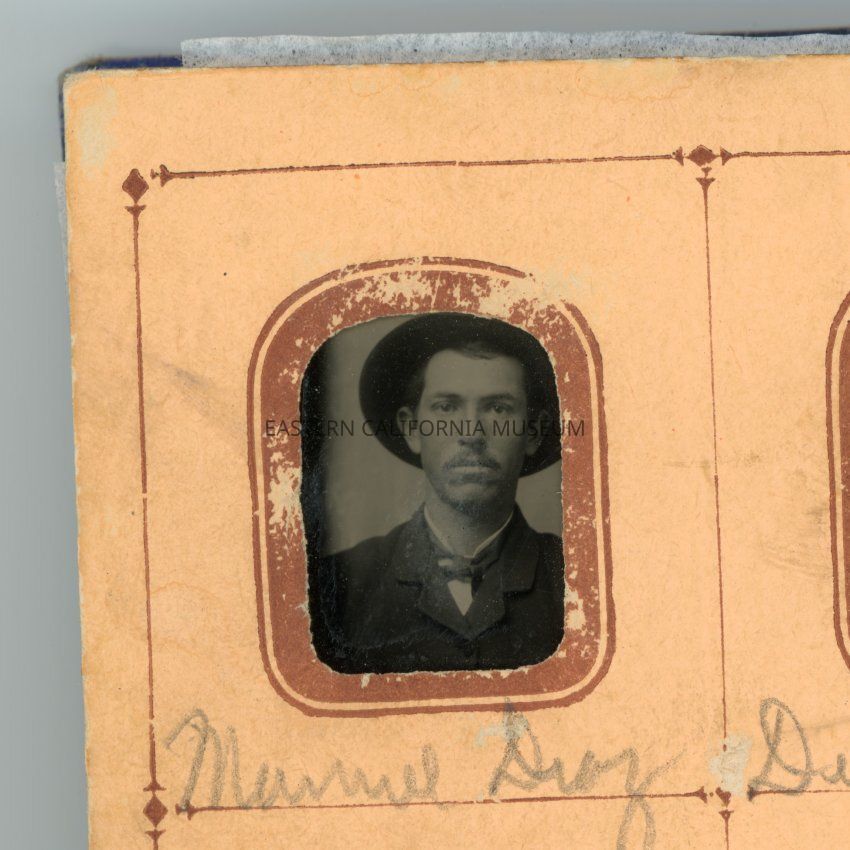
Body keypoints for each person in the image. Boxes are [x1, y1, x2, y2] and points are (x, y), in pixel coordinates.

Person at [313, 312, 565, 673]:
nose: (472, 434)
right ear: (412, 429)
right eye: (446, 407)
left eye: (498, 408)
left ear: (533, 433)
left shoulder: (576, 579)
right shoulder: (339, 583)